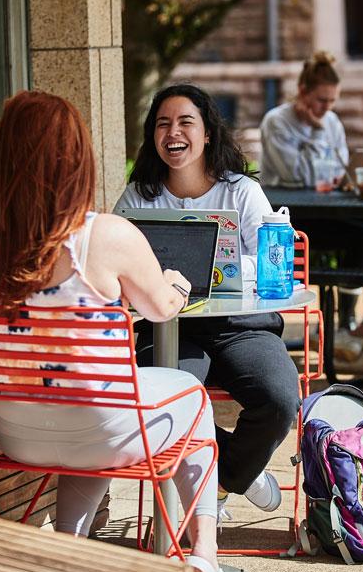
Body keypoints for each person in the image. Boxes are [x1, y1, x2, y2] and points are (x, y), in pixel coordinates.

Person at [0, 90, 230, 572]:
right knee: (193, 398)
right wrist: (175, 283)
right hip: (102, 427)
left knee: (82, 401)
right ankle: (204, 555)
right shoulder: (106, 235)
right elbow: (161, 307)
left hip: (15, 429)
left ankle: (68, 551)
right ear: (76, 158)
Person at [114, 84, 301, 523]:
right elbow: (117, 260)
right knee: (169, 404)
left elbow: (268, 256)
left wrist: (230, 271)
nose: (173, 132)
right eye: (163, 124)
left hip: (241, 326)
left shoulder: (240, 191)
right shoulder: (139, 195)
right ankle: (237, 467)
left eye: (185, 122)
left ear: (207, 134)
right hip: (165, 327)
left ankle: (227, 473)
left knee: (279, 399)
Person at [259, 51, 363, 333]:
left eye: (332, 100)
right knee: (360, 235)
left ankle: (353, 319)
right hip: (289, 218)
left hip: (326, 209)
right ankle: (335, 320)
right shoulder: (277, 121)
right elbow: (298, 176)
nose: (326, 107)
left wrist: (321, 138)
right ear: (302, 92)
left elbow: (340, 171)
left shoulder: (332, 122)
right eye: (321, 100)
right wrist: (314, 132)